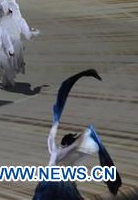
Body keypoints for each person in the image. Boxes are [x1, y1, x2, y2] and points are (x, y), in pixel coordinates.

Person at [34, 70, 122, 199]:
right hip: (54, 186)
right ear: (65, 144)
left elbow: (52, 135)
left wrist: (56, 122)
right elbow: (73, 146)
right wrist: (88, 134)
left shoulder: (54, 150)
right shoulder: (59, 153)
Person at [0, 0, 38, 87]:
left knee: (7, 63)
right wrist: (34, 32)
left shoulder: (4, 19)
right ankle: (8, 79)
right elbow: (27, 34)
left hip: (7, 44)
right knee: (13, 64)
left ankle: (7, 79)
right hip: (16, 44)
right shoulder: (20, 20)